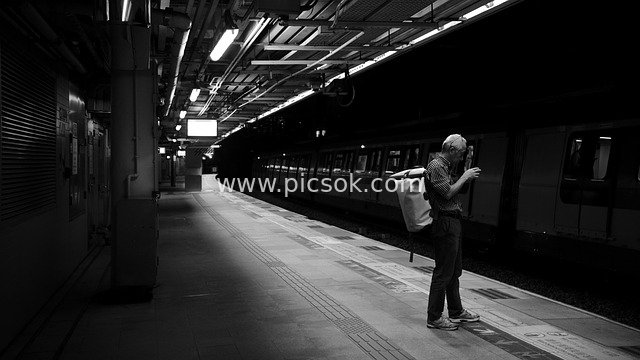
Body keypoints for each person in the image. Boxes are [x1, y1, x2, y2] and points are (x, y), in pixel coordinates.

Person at [424, 134, 481, 330]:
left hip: (452, 223)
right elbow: (447, 192)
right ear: (451, 150)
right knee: (443, 272)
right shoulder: (437, 166)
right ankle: (434, 317)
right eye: (461, 153)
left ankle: (456, 311)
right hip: (445, 224)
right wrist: (465, 177)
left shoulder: (445, 166)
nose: (462, 157)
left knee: (453, 272)